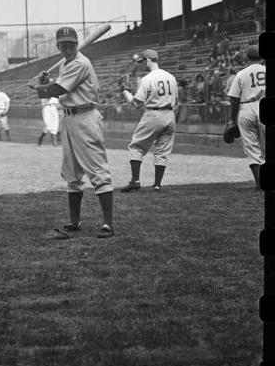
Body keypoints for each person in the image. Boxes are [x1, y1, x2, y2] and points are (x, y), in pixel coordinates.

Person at [27, 26, 114, 239]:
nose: (67, 48)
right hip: (70, 118)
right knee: (72, 174)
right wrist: (46, 82)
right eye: (63, 45)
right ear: (58, 46)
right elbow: (58, 87)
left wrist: (37, 87)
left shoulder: (80, 63)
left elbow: (58, 90)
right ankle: (74, 222)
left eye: (71, 44)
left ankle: (108, 225)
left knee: (98, 171)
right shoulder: (66, 63)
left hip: (85, 117)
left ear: (77, 44)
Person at [120, 49, 178, 193]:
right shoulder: (171, 77)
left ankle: (135, 181)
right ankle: (157, 184)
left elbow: (137, 104)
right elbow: (176, 100)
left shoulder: (147, 78)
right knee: (162, 151)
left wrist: (126, 92)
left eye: (143, 61)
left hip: (153, 114)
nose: (142, 65)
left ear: (148, 60)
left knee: (136, 147)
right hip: (170, 114)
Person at [227, 44, 266, 189]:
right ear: (261, 57)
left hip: (247, 107)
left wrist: (232, 119)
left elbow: (234, 99)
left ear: (247, 57)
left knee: (251, 147)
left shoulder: (241, 74)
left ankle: (259, 183)